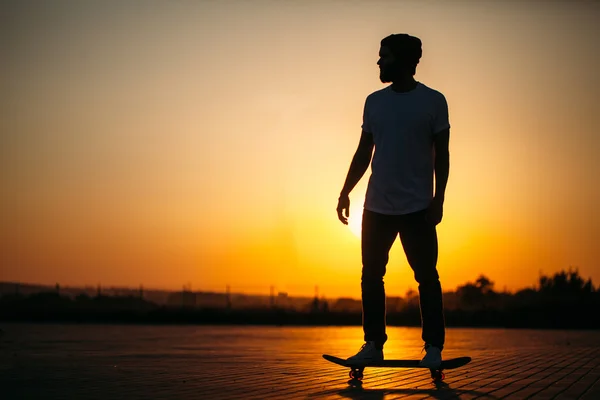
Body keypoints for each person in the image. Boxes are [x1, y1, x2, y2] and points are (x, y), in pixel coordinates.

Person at [336, 33, 450, 369]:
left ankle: (433, 348)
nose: (379, 62)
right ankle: (373, 344)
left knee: (426, 277)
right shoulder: (374, 101)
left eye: (384, 56)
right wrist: (345, 191)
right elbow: (363, 151)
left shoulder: (434, 101)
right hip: (376, 207)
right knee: (371, 276)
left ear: (404, 60)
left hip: (418, 208)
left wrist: (439, 198)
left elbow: (442, 155)